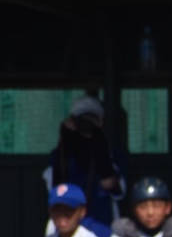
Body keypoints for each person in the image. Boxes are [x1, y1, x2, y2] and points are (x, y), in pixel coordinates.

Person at [43, 94, 126, 228]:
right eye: (80, 121)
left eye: (91, 120)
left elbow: (109, 183)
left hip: (101, 223)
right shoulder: (60, 155)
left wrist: (98, 141)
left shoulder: (112, 155)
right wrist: (65, 140)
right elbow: (54, 188)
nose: (85, 126)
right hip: (67, 225)